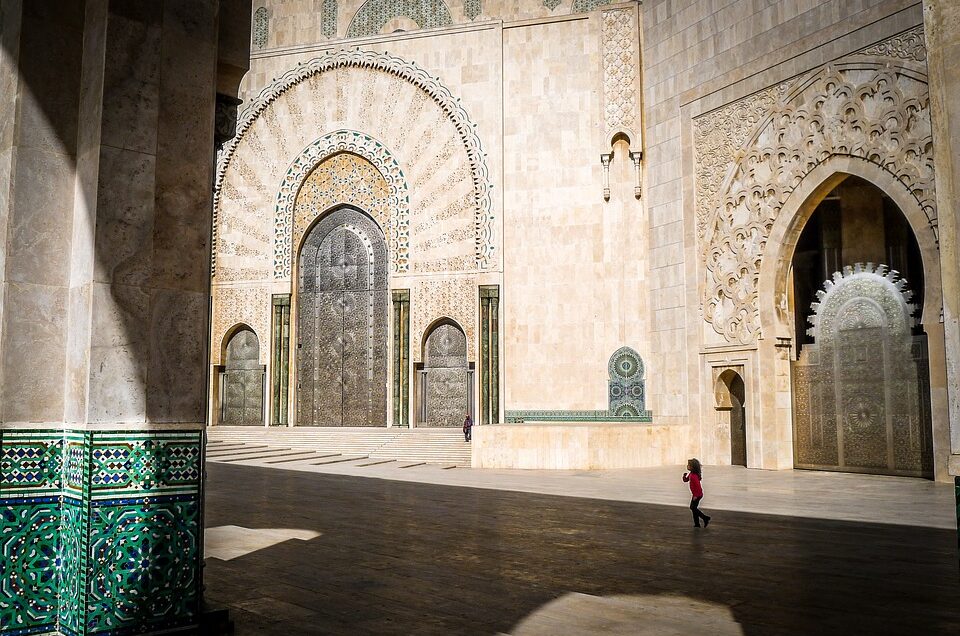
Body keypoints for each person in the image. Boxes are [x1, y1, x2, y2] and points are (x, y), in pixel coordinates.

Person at [682, 458, 711, 528]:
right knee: (694, 508)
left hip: (698, 495)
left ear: (692, 467)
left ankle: (705, 518)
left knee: (692, 507)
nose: (687, 466)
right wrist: (684, 476)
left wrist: (695, 495)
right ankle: (697, 524)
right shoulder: (691, 474)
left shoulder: (694, 476)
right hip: (696, 494)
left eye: (688, 465)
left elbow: (698, 487)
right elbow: (686, 480)